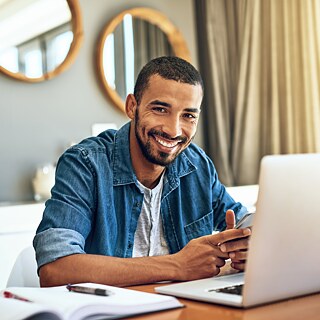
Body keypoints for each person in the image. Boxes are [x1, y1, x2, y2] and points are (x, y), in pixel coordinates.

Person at [33, 56, 251, 287]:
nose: (173, 130)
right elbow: (55, 269)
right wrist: (177, 265)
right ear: (132, 107)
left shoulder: (197, 165)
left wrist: (247, 247)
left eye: (188, 115)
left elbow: (245, 224)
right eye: (160, 109)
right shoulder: (85, 165)